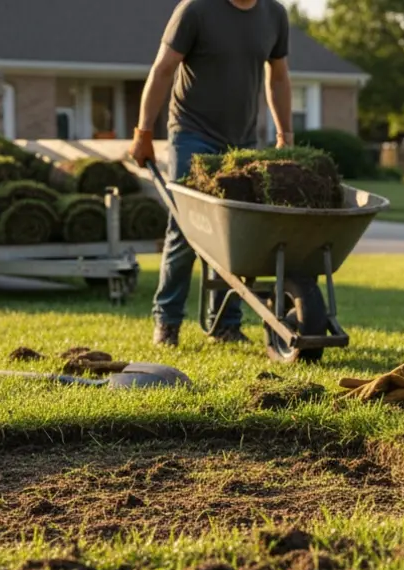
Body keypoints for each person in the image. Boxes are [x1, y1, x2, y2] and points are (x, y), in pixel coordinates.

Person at [129, 0, 295, 348]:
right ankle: (167, 321)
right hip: (193, 133)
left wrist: (285, 134)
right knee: (186, 227)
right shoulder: (196, 10)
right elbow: (163, 69)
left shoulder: (274, 14)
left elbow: (278, 76)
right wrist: (143, 132)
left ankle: (224, 324)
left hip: (242, 141)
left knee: (235, 232)